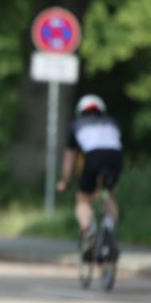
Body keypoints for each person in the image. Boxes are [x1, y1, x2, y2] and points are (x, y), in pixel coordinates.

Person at [57, 94, 123, 259]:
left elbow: (70, 157)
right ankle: (110, 227)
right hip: (115, 157)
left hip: (93, 157)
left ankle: (88, 232)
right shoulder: (113, 122)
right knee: (110, 195)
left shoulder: (77, 124)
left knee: (83, 200)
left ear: (80, 111)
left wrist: (65, 180)